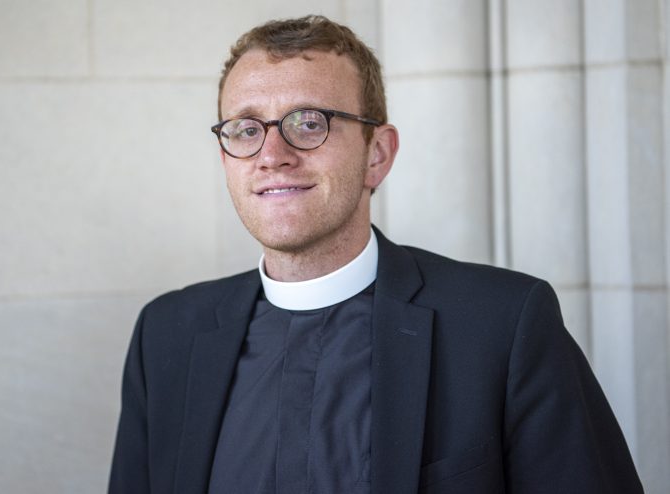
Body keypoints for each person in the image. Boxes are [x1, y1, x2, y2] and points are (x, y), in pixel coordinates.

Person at [108, 15, 643, 494]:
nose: (272, 155)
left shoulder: (503, 325)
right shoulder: (166, 335)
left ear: (377, 155)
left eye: (309, 122)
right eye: (246, 129)